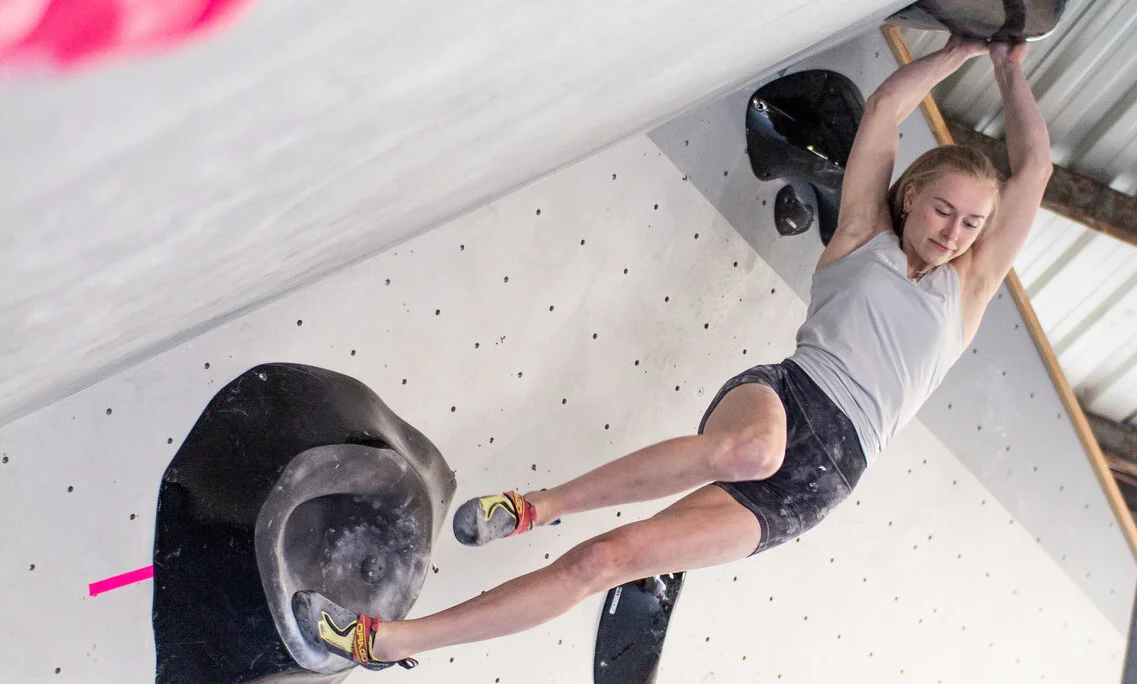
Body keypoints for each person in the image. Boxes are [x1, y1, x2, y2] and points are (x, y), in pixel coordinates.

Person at [291, 35, 1052, 671]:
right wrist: (971, 49)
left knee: (606, 562)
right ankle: (535, 506)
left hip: (824, 482)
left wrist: (1016, 74)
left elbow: (1036, 171)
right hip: (787, 399)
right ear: (913, 195)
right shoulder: (862, 233)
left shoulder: (970, 289)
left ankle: (383, 641)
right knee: (750, 450)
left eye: (971, 225)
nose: (954, 232)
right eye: (944, 209)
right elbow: (886, 108)